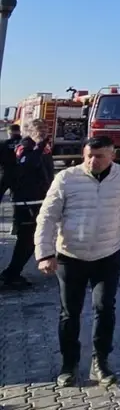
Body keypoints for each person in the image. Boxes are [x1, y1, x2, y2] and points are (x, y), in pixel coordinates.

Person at [35, 135, 120, 388]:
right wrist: (45, 253)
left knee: (105, 309)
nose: (93, 161)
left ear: (112, 156)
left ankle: (100, 362)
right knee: (69, 313)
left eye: (99, 156)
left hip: (107, 254)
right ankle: (69, 364)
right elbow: (47, 217)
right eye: (89, 156)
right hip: (70, 256)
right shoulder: (67, 178)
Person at [1, 120, 55, 291]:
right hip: (27, 203)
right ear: (29, 131)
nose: (43, 132)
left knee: (31, 240)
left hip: (38, 200)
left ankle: (12, 273)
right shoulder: (26, 146)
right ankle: (11, 275)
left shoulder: (42, 147)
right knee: (27, 240)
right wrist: (39, 145)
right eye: (39, 130)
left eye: (45, 129)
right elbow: (29, 164)